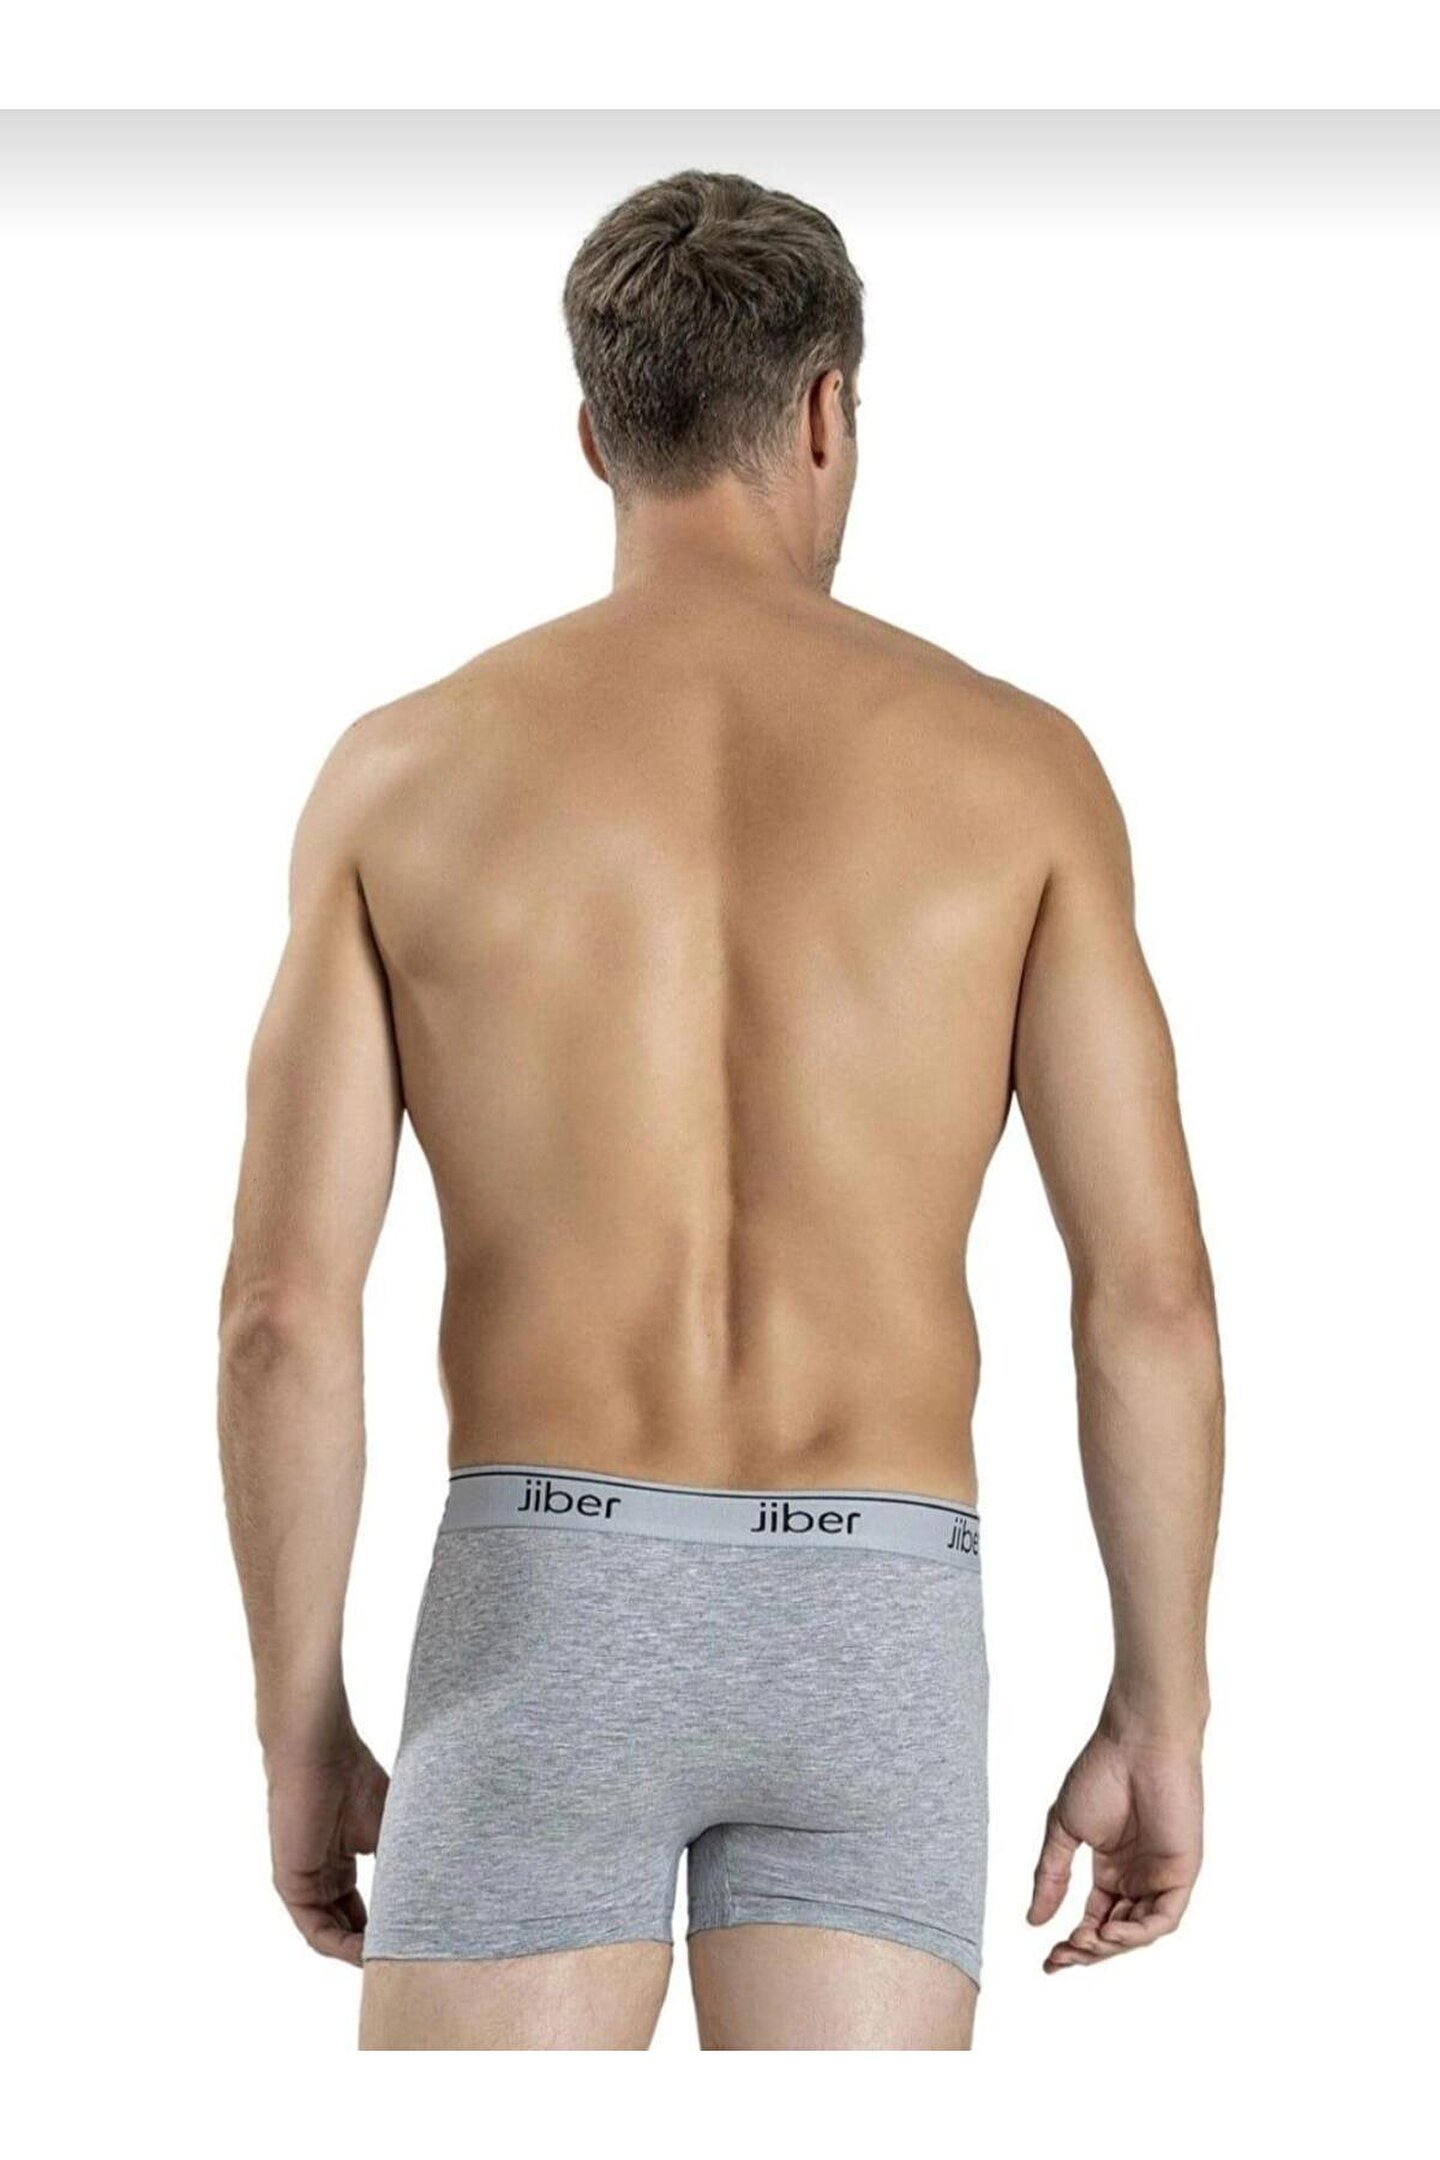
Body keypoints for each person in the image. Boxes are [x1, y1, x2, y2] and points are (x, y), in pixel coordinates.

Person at [218, 170, 1223, 2052]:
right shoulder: (1020, 776)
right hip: (877, 1615)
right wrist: (1160, 1708)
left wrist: (299, 1730)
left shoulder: (401, 777)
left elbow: (284, 1313)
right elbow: (1148, 1300)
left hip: (543, 1606)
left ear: (596, 434)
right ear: (826, 413)